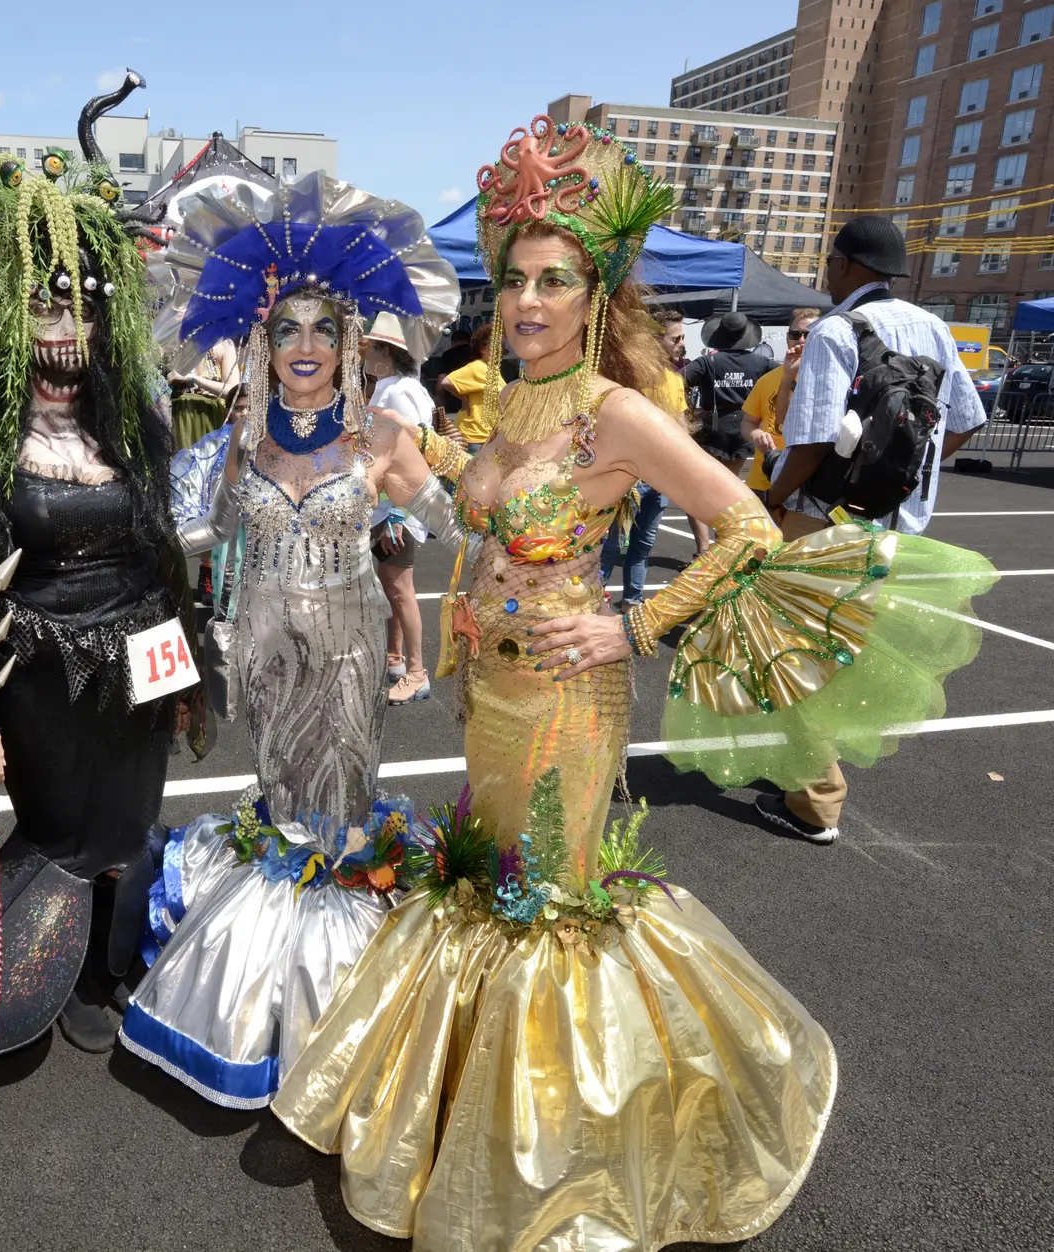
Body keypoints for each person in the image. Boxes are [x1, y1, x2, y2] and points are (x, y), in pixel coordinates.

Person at [271, 114, 994, 1250]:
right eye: (514, 281)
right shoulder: (511, 401)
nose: (526, 302)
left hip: (568, 701)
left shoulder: (617, 411)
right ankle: (473, 1122)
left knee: (550, 910)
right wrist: (417, 468)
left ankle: (555, 1161)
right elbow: (488, 511)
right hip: (491, 696)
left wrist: (635, 627)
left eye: (554, 281)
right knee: (493, 885)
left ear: (597, 292)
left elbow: (746, 525)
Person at [118, 169, 460, 1108]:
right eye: (286, 329)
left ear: (352, 341)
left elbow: (466, 521)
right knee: (279, 801)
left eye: (324, 328)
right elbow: (189, 536)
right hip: (263, 647)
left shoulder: (383, 435)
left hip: (351, 650)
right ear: (261, 342)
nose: (304, 345)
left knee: (341, 806)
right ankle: (263, 1008)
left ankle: (337, 1010)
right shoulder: (237, 438)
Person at [0, 69, 186, 1054]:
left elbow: (162, 547)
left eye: (79, 309)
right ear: (6, 317)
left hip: (143, 644)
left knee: (133, 816)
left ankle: (111, 966)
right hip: (39, 661)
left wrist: (186, 665)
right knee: (58, 820)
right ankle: (41, 966)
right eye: (41, 310)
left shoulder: (136, 417)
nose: (63, 336)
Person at [761, 217, 986, 845]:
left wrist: (768, 502)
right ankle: (806, 763)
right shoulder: (934, 327)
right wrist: (905, 475)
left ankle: (815, 800)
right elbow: (968, 420)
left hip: (824, 520)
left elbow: (806, 442)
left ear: (850, 266)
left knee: (797, 652)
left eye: (831, 262)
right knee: (843, 647)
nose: (828, 274)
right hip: (897, 525)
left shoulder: (838, 330)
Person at [363, 311, 437, 702]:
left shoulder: (398, 392)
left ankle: (416, 670)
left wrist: (395, 513)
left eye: (370, 347)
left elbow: (408, 456)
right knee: (392, 586)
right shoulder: (397, 387)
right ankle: (395, 659)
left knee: (400, 587)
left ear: (385, 352)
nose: (364, 354)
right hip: (390, 509)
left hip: (397, 510)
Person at [598, 308, 688, 611]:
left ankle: (633, 602)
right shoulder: (628, 377)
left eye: (682, 337)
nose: (680, 344)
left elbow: (681, 426)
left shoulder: (674, 379)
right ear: (653, 340)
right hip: (629, 477)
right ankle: (592, 601)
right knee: (611, 544)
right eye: (675, 338)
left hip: (661, 478)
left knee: (643, 545)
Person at [682, 309, 774, 554]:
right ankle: (725, 544)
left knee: (697, 490)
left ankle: (703, 548)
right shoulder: (762, 362)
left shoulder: (707, 362)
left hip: (713, 428)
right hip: (745, 428)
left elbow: (675, 382)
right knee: (730, 488)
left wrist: (690, 410)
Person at [742, 306, 822, 503]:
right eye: (795, 334)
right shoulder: (768, 380)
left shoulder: (826, 380)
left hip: (805, 486)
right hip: (762, 479)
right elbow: (747, 422)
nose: (801, 340)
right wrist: (756, 434)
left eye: (808, 334)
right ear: (788, 337)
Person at [167, 336, 240, 450]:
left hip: (210, 419)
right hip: (177, 416)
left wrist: (194, 379)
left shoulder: (224, 344)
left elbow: (233, 391)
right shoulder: (175, 338)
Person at [436, 321, 498, 451]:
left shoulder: (449, 355)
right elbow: (445, 381)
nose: (500, 352)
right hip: (472, 432)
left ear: (453, 341)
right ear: (482, 349)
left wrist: (443, 404)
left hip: (472, 424)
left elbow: (440, 384)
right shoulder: (477, 365)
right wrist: (463, 399)